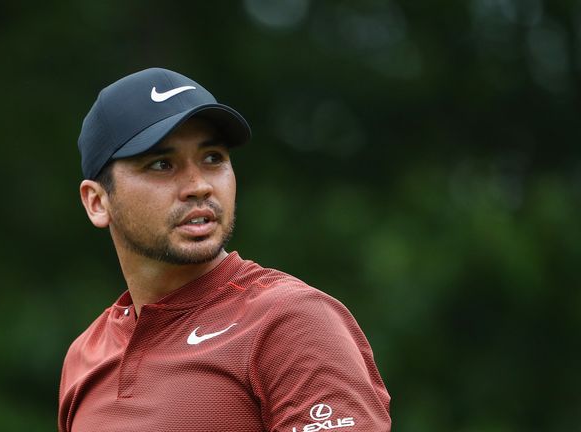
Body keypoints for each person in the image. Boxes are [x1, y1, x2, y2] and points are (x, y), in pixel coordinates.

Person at [58, 67, 391, 432]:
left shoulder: (290, 321)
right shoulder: (85, 356)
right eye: (162, 164)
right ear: (97, 202)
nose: (198, 185)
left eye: (213, 158)